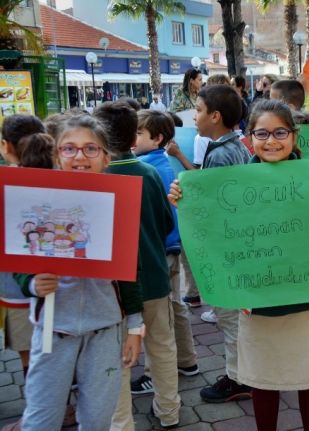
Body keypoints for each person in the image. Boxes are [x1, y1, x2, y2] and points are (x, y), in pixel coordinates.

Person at [168, 99, 309, 430]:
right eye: (262, 133)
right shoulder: (234, 185)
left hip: (308, 301)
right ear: (249, 137)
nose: (271, 141)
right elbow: (213, 227)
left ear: (294, 135)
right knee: (263, 377)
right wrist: (184, 199)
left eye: (280, 132)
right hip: (258, 303)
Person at [14, 115, 143, 430]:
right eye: (69, 149)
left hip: (105, 330)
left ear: (105, 157)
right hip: (53, 330)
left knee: (98, 419)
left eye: (90, 149)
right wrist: (31, 283)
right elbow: (19, 261)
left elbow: (130, 271)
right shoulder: (35, 199)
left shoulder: (120, 203)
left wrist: (135, 329)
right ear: (57, 156)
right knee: (41, 419)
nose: (80, 157)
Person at [93, 102, 179, 430]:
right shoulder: (151, 173)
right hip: (155, 276)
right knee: (162, 347)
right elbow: (163, 223)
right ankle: (169, 411)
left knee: (116, 359)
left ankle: (121, 423)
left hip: (113, 288)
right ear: (133, 135)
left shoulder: (97, 177)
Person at [181, 83, 253, 403]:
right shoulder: (236, 145)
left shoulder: (221, 153)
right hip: (236, 246)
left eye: (197, 110)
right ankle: (244, 372)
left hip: (227, 248)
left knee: (230, 316)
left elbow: (220, 204)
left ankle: (240, 377)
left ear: (215, 116)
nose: (194, 116)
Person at [130, 109, 200, 395]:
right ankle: (187, 361)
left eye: (138, 133)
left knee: (159, 319)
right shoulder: (162, 162)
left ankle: (153, 373)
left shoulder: (147, 167)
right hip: (172, 244)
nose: (133, 139)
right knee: (175, 306)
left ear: (157, 137)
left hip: (160, 249)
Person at [0, 114, 47, 380]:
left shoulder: (7, 183)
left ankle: (49, 411)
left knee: (30, 352)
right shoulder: (62, 177)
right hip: (58, 286)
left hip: (16, 288)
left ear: (6, 146)